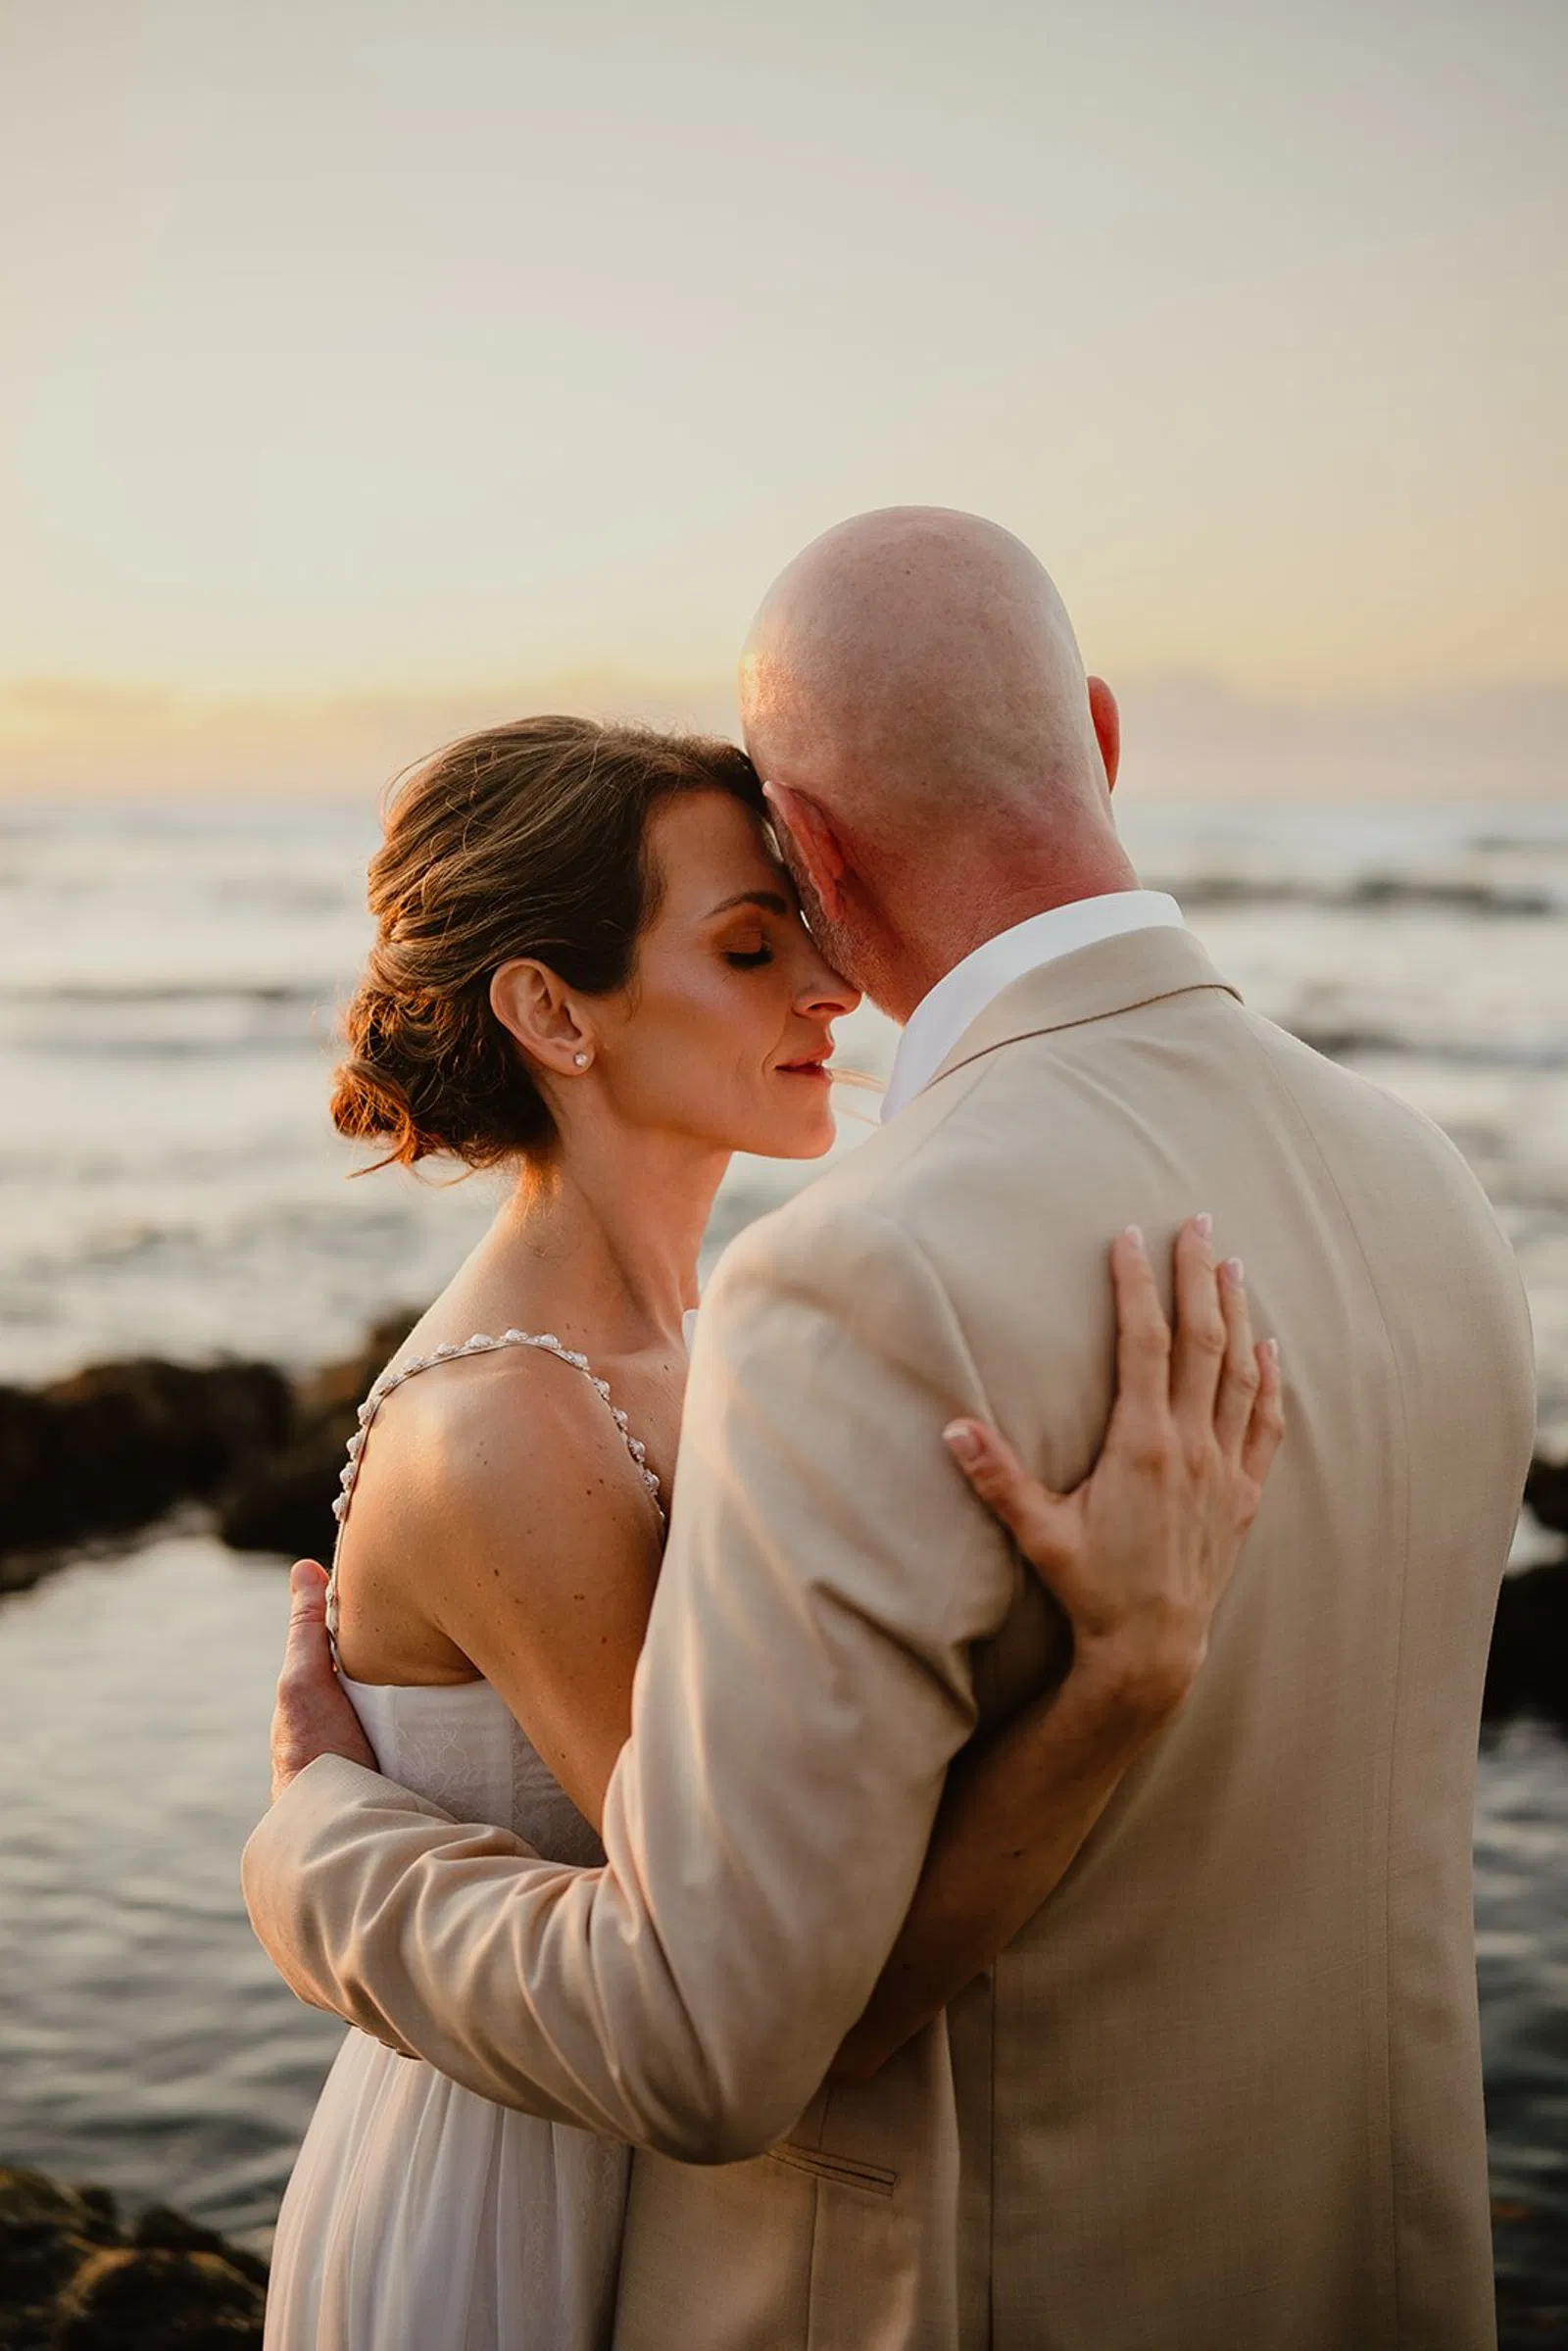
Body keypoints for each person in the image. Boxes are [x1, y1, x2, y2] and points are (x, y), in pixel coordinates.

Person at [247, 509, 1536, 2351]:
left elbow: (717, 2017)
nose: (826, 994)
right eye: (746, 945)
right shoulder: (1432, 1193)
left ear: (826, 850)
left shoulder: (851, 1291)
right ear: (1098, 738)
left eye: (792, 919)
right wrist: (1115, 1685)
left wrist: (314, 1847)